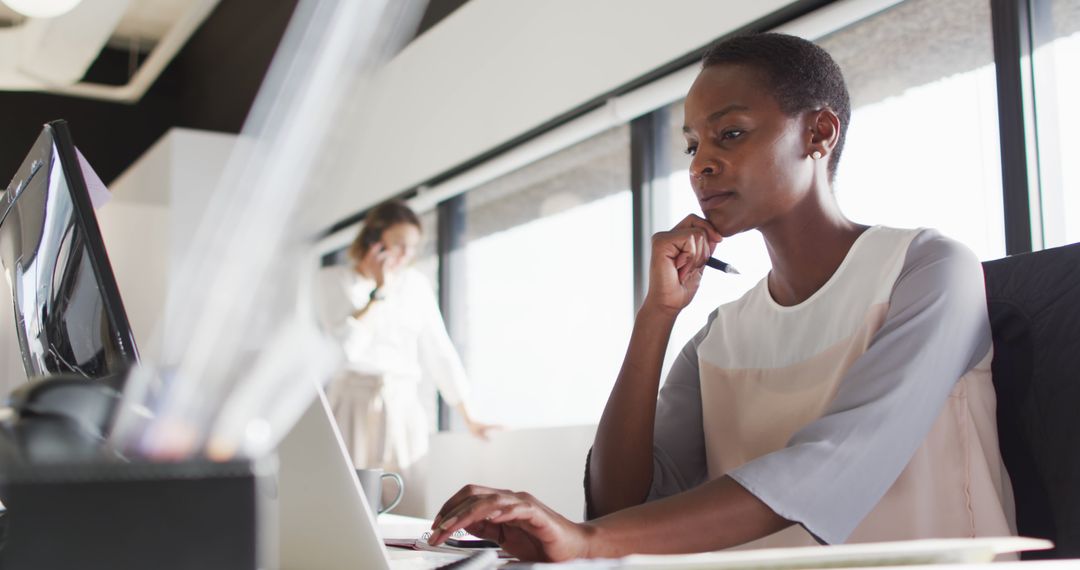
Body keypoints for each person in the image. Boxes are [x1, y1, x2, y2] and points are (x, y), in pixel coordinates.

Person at [425, 33, 1015, 561]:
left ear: (819, 133)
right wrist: (656, 317)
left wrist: (586, 542)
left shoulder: (929, 270)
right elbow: (620, 504)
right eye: (691, 146)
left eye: (730, 134)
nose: (702, 164)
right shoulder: (720, 334)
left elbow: (831, 467)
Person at [315, 199, 495, 516]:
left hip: (402, 408)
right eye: (398, 245)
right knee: (347, 508)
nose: (405, 256)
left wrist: (468, 415)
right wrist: (379, 292)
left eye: (412, 247)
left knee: (407, 504)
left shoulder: (416, 286)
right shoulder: (332, 280)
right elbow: (343, 351)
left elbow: (439, 351)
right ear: (374, 240)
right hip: (350, 406)